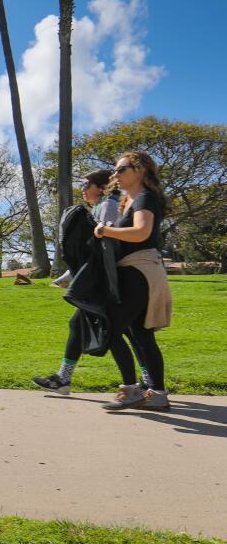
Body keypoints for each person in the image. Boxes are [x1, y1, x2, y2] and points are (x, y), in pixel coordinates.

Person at [34, 169, 147, 394]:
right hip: (106, 278)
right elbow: (94, 253)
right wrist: (72, 277)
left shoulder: (109, 206)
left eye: (87, 184)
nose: (83, 189)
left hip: (110, 281)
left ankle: (143, 382)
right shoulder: (102, 206)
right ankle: (64, 378)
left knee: (126, 331)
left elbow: (107, 247)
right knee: (119, 329)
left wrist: (81, 280)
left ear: (102, 186)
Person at [96, 151, 173, 411]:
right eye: (115, 170)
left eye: (121, 169)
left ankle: (131, 390)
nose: (115, 175)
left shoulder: (144, 198)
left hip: (139, 270)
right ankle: (157, 393)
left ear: (139, 169)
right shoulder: (128, 201)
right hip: (134, 271)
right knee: (140, 334)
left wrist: (105, 230)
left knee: (110, 328)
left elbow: (141, 233)